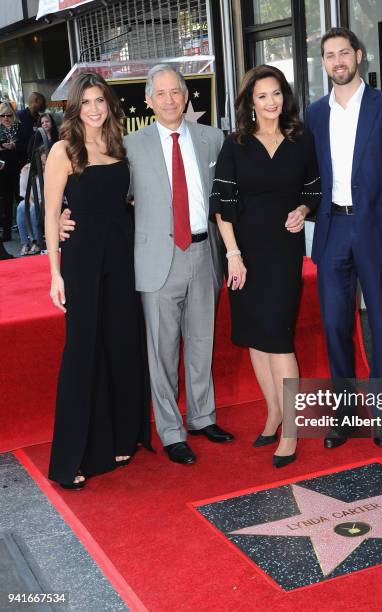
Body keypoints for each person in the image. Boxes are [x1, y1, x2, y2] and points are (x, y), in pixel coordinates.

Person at [60, 64, 233, 465]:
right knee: (161, 349)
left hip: (204, 254)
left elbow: (228, 197)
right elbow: (98, 189)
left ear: (187, 96)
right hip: (157, 259)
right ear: (149, 100)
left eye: (176, 92)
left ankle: (203, 417)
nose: (170, 100)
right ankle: (170, 431)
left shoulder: (213, 139)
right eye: (161, 93)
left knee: (202, 342)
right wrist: (59, 216)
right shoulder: (130, 145)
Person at [305, 28, 382, 449]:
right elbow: (311, 176)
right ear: (323, 63)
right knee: (335, 325)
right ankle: (343, 413)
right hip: (333, 229)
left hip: (378, 231)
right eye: (329, 55)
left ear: (359, 56)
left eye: (343, 53)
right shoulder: (315, 114)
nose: (337, 61)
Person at [210, 65, 320, 468]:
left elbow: (314, 185)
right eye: (262, 96)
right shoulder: (235, 144)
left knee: (279, 337)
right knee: (257, 336)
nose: (271, 102)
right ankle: (273, 412)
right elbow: (222, 202)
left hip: (284, 251)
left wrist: (303, 207)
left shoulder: (300, 139)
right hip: (245, 252)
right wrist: (233, 255)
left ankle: (291, 427)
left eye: (276, 94)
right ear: (250, 102)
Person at [45, 72, 151, 489]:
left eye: (99, 101)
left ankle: (122, 436)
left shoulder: (118, 145)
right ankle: (73, 456)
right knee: (83, 349)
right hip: (83, 260)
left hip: (122, 257)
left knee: (121, 342)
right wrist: (54, 273)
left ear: (109, 104)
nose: (93, 109)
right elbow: (52, 216)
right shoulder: (63, 149)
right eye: (85, 102)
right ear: (75, 108)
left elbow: (128, 201)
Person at [0, 101, 26, 242]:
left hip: (18, 169)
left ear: (13, 115)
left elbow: (27, 146)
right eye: (2, 115)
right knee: (6, 203)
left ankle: (26, 233)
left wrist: (14, 145)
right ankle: (6, 233)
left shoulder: (20, 128)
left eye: (8, 115)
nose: (6, 118)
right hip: (3, 171)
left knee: (21, 201)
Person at [17, 146, 47, 256]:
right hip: (30, 199)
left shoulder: (52, 168)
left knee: (35, 208)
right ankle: (25, 243)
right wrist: (30, 202)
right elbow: (24, 191)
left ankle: (37, 241)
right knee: (21, 206)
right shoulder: (27, 169)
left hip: (46, 200)